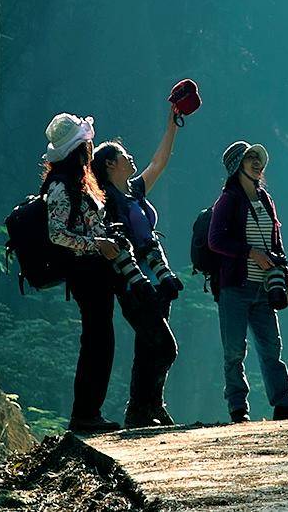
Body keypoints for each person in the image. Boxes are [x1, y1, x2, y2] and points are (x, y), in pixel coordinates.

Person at [208, 140, 288, 423]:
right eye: (249, 158)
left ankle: (284, 404)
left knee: (272, 348)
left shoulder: (266, 200)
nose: (257, 163)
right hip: (235, 287)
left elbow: (277, 245)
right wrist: (250, 252)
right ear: (237, 166)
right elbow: (215, 240)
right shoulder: (228, 201)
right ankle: (238, 409)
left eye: (258, 158)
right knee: (234, 350)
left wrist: (285, 280)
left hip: (265, 287)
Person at [92, 107, 182, 428]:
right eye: (124, 155)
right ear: (109, 165)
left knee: (148, 347)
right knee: (165, 346)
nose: (132, 158)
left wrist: (171, 126)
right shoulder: (106, 201)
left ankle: (144, 410)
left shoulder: (133, 191)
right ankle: (145, 406)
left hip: (157, 279)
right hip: (133, 284)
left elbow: (159, 163)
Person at [41, 113, 122, 433]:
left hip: (95, 271)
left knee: (101, 339)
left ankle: (90, 411)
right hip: (84, 271)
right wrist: (95, 244)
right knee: (97, 340)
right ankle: (85, 413)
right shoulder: (62, 186)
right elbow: (56, 233)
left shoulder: (79, 182)